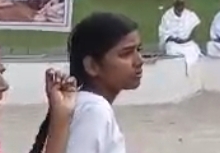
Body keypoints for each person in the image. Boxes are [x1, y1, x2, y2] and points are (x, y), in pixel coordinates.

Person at [29, 12, 143, 153]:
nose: (139, 61)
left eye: (139, 50)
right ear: (92, 66)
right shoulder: (94, 110)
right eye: (126, 53)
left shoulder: (82, 104)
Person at [157, 0, 202, 68]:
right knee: (172, 50)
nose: (180, 6)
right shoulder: (167, 16)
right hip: (174, 43)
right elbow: (163, 33)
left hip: (187, 43)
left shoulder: (189, 15)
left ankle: (190, 71)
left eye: (182, 4)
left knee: (194, 49)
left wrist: (188, 39)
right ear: (174, 4)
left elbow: (195, 28)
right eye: (178, 4)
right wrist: (174, 39)